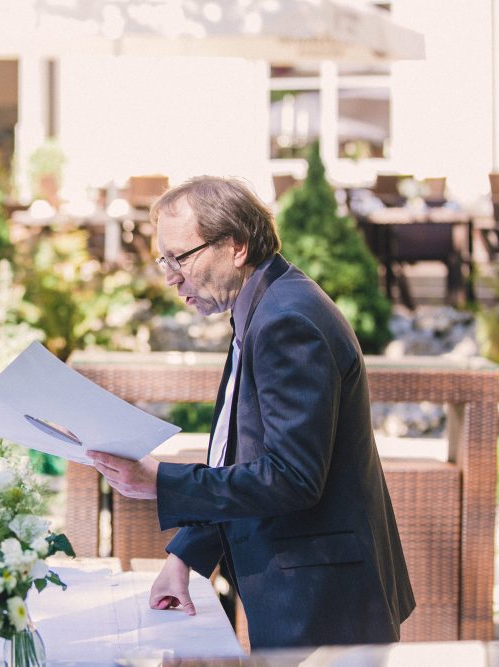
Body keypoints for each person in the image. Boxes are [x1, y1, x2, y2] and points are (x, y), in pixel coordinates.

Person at [87, 176, 414, 648]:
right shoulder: (264, 304)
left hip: (322, 602)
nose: (169, 275)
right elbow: (236, 453)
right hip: (310, 591)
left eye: (180, 256)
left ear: (236, 246)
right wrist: (186, 555)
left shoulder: (286, 320)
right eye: (165, 258)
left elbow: (290, 477)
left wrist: (160, 480)